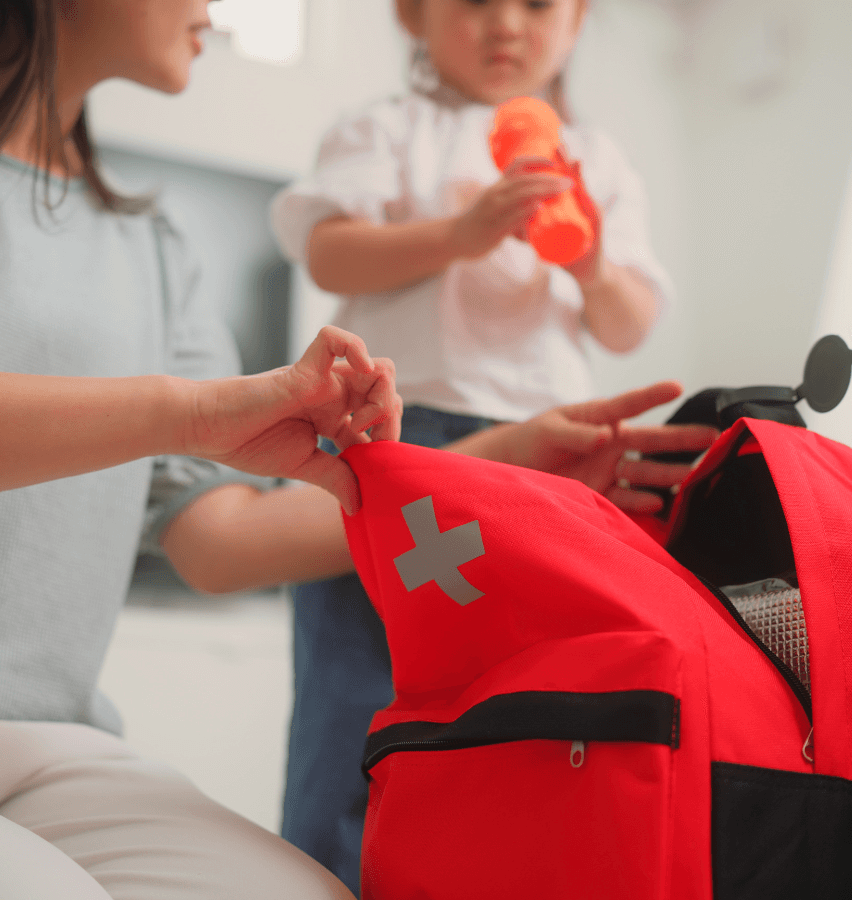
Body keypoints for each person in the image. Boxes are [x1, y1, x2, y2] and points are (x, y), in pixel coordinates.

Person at [0, 1, 712, 898]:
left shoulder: (151, 248)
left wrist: (504, 462)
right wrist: (183, 410)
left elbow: (217, 538)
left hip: (60, 756)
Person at [269, 0, 675, 890]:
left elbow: (629, 321)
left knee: (520, 684)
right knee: (356, 685)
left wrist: (593, 267)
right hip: (401, 440)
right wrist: (461, 234)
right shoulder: (389, 127)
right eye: (474, 3)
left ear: (577, 20)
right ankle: (327, 874)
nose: (505, 26)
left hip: (544, 457)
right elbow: (331, 254)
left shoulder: (595, 161)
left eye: (536, 5)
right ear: (413, 15)